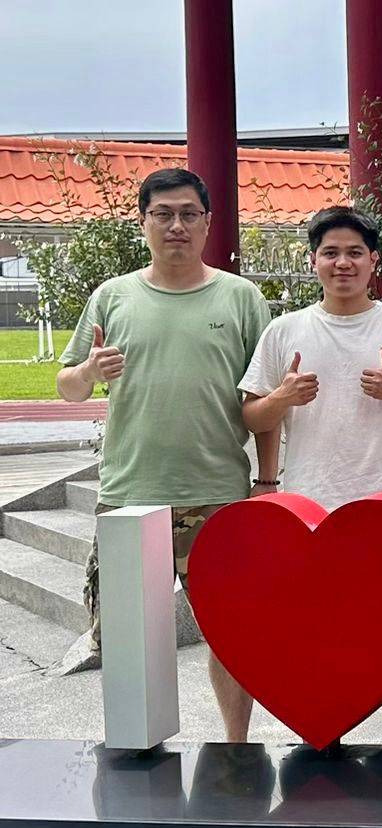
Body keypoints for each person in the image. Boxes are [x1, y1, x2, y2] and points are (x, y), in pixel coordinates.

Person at [57, 167, 274, 741]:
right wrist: (88, 370)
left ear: (207, 223)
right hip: (130, 494)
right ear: (143, 222)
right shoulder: (113, 297)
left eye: (188, 214)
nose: (176, 225)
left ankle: (236, 746)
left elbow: (263, 397)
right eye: (163, 214)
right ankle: (137, 749)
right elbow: (68, 386)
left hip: (217, 494)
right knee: (126, 637)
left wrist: (267, 481)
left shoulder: (241, 298)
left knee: (233, 634)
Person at [239, 205, 382, 744]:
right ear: (313, 261)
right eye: (330, 253)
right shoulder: (285, 330)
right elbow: (253, 416)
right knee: (318, 632)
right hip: (311, 506)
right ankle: (323, 737)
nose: (342, 263)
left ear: (374, 261)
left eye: (354, 253)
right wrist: (282, 398)